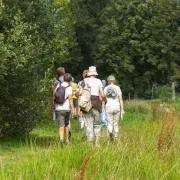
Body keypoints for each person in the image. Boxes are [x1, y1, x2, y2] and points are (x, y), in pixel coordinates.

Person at [78, 66, 105, 147]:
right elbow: (102, 95)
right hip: (96, 104)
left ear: (89, 74)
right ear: (95, 74)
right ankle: (97, 143)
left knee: (89, 125)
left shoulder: (84, 81)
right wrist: (104, 100)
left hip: (87, 106)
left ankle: (90, 143)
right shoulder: (99, 81)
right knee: (97, 124)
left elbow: (79, 93)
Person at [52, 73, 75, 144]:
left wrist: (53, 106)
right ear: (70, 80)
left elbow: (53, 96)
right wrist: (73, 109)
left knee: (60, 124)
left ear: (64, 79)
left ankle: (61, 139)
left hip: (58, 108)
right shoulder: (69, 87)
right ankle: (67, 140)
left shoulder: (58, 85)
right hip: (66, 108)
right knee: (67, 124)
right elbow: (70, 98)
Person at [104, 75, 124, 142]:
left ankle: (110, 133)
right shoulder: (118, 88)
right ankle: (116, 138)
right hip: (117, 106)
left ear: (108, 81)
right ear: (114, 81)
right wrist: (122, 109)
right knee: (116, 123)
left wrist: (103, 107)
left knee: (110, 123)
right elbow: (121, 99)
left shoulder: (106, 88)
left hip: (109, 106)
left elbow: (103, 99)